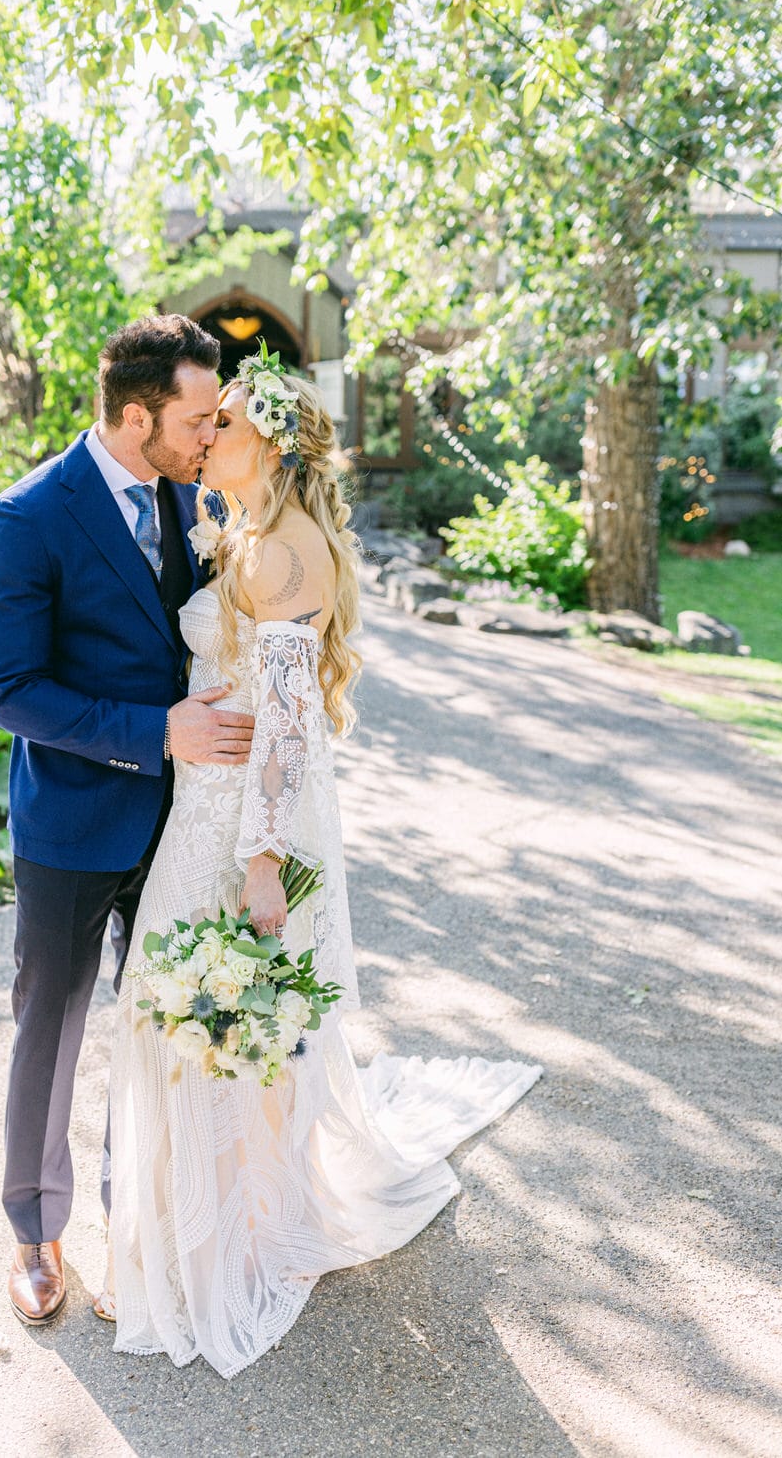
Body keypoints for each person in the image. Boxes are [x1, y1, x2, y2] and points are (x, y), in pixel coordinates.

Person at [94, 347, 542, 1378]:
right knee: (204, 1015)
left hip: (243, 818)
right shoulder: (248, 530)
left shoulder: (275, 551)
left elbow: (288, 727)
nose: (207, 436)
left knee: (204, 1012)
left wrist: (258, 864)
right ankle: (220, 1210)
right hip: (214, 799)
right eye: (208, 425)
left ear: (272, 449)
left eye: (229, 428)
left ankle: (235, 1229)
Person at [0, 314, 256, 1327]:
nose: (209, 431)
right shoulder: (26, 520)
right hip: (73, 823)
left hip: (184, 826)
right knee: (50, 1026)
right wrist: (155, 733)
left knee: (170, 1023)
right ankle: (35, 1233)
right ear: (135, 417)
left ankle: (133, 1215)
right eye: (194, 416)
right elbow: (11, 692)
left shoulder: (192, 491)